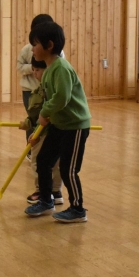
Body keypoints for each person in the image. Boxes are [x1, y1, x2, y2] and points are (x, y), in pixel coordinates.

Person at [24, 22, 91, 223]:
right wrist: (38, 131)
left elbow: (61, 98)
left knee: (68, 169)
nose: (32, 49)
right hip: (59, 125)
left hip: (75, 126)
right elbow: (49, 104)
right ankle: (46, 200)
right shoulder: (49, 70)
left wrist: (44, 113)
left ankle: (78, 209)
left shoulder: (61, 68)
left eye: (35, 44)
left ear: (49, 45)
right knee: (43, 161)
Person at [19, 57, 63, 205]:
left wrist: (36, 130)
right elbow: (35, 113)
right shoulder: (39, 89)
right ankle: (50, 190)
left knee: (43, 161)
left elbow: (44, 113)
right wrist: (29, 123)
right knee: (49, 162)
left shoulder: (50, 89)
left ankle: (47, 191)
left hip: (47, 132)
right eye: (33, 70)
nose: (34, 73)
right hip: (41, 130)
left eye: (37, 70)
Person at [17, 14, 56, 152]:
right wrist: (34, 68)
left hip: (47, 90)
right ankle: (31, 149)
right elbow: (19, 67)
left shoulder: (58, 54)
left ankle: (46, 148)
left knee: (47, 120)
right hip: (29, 90)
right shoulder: (27, 49)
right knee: (33, 118)